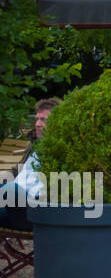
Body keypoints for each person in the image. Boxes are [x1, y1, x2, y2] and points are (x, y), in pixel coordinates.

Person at [0, 98, 61, 230]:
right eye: (37, 119)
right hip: (11, 208)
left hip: (35, 213)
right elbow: (14, 172)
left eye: (43, 120)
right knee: (8, 187)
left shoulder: (62, 151)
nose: (38, 124)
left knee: (10, 189)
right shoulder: (33, 146)